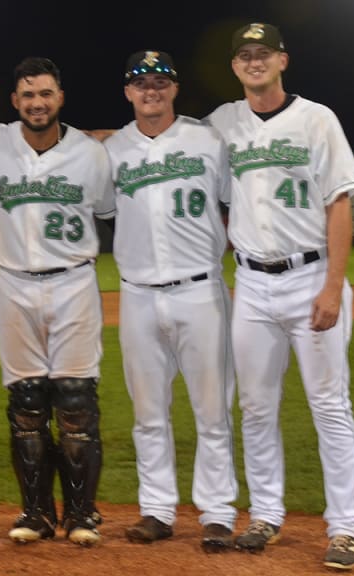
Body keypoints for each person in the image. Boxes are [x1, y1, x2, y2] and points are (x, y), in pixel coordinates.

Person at [205, 22, 354, 570]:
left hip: (309, 277)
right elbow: (167, 141)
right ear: (234, 66)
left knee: (329, 406)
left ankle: (344, 528)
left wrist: (333, 288)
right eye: (245, 55)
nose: (254, 62)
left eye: (263, 53)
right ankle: (266, 514)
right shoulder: (222, 123)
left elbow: (339, 204)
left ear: (283, 60)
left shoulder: (317, 119)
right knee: (255, 407)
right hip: (251, 283)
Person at [102, 50, 238, 552]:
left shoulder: (207, 139)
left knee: (213, 410)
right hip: (138, 294)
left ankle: (218, 513)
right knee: (148, 414)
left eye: (160, 81)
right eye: (141, 83)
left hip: (201, 290)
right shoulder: (113, 150)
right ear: (128, 92)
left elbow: (233, 199)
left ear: (174, 89)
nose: (151, 90)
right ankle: (157, 509)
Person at [0, 56, 115, 547]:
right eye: (27, 94)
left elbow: (105, 208)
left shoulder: (90, 153)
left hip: (73, 282)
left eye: (45, 93)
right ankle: (36, 512)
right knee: (26, 403)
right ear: (15, 101)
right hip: (14, 283)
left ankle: (83, 513)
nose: (37, 102)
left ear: (60, 98)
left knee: (77, 402)